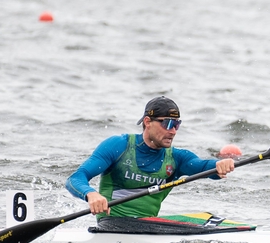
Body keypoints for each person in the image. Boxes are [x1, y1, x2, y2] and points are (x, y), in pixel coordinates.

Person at [66, 96, 235, 229]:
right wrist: (91, 194)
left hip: (147, 224)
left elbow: (203, 167)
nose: (173, 131)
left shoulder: (177, 158)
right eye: (168, 123)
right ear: (147, 122)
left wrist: (219, 166)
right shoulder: (118, 146)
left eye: (177, 124)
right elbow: (75, 178)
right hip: (111, 223)